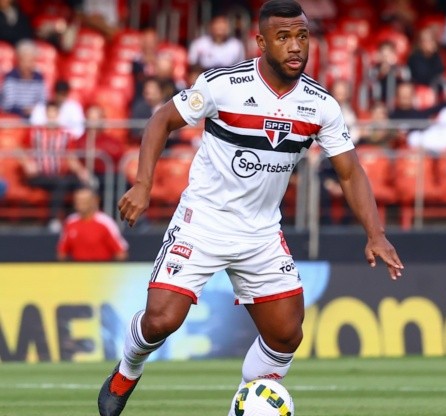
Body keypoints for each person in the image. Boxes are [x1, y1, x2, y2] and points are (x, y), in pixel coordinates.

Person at [96, 2, 403, 416]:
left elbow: (349, 173)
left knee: (286, 334)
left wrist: (376, 233)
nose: (295, 47)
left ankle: (245, 406)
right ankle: (127, 370)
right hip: (202, 221)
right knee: (160, 322)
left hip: (259, 232)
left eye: (302, 37)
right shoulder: (224, 84)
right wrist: (143, 184)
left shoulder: (320, 105)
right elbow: (160, 121)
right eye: (283, 37)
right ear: (261, 42)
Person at [20, 102, 91, 231]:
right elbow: (20, 150)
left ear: (58, 115)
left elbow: (70, 158)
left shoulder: (66, 135)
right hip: (38, 175)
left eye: (55, 115)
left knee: (81, 183)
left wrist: (81, 171)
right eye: (49, 115)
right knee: (60, 183)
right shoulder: (34, 132)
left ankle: (80, 219)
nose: (52, 118)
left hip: (59, 175)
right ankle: (53, 220)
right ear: (46, 115)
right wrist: (27, 164)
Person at [57, 187, 128, 261]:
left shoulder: (105, 222)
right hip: (78, 270)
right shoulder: (70, 222)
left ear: (94, 201)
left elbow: (121, 253)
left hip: (101, 269)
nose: (80, 204)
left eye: (84, 201)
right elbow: (62, 252)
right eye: (78, 201)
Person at [390, 82, 446, 153]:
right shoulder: (392, 117)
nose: (405, 96)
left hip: (431, 142)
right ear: (397, 96)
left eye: (408, 93)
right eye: (402, 94)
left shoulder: (420, 113)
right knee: (414, 138)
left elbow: (445, 106)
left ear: (413, 95)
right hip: (409, 149)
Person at [1, 40, 46, 118]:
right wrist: (23, 110)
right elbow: (7, 105)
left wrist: (34, 110)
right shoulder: (11, 77)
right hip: (14, 118)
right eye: (26, 61)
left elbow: (42, 101)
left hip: (34, 117)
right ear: (19, 60)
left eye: (32, 61)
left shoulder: (39, 78)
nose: (29, 64)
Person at [369, 40, 411, 108]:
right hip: (378, 102)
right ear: (379, 55)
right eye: (383, 54)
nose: (385, 57)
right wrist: (381, 74)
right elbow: (370, 81)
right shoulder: (373, 69)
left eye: (388, 54)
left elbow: (407, 78)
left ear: (394, 55)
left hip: (397, 102)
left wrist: (395, 72)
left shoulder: (401, 67)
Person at [329, 79, 359, 144]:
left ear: (347, 94)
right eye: (337, 93)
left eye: (342, 93)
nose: (339, 96)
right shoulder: (324, 109)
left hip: (343, 147)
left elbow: (355, 134)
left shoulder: (350, 112)